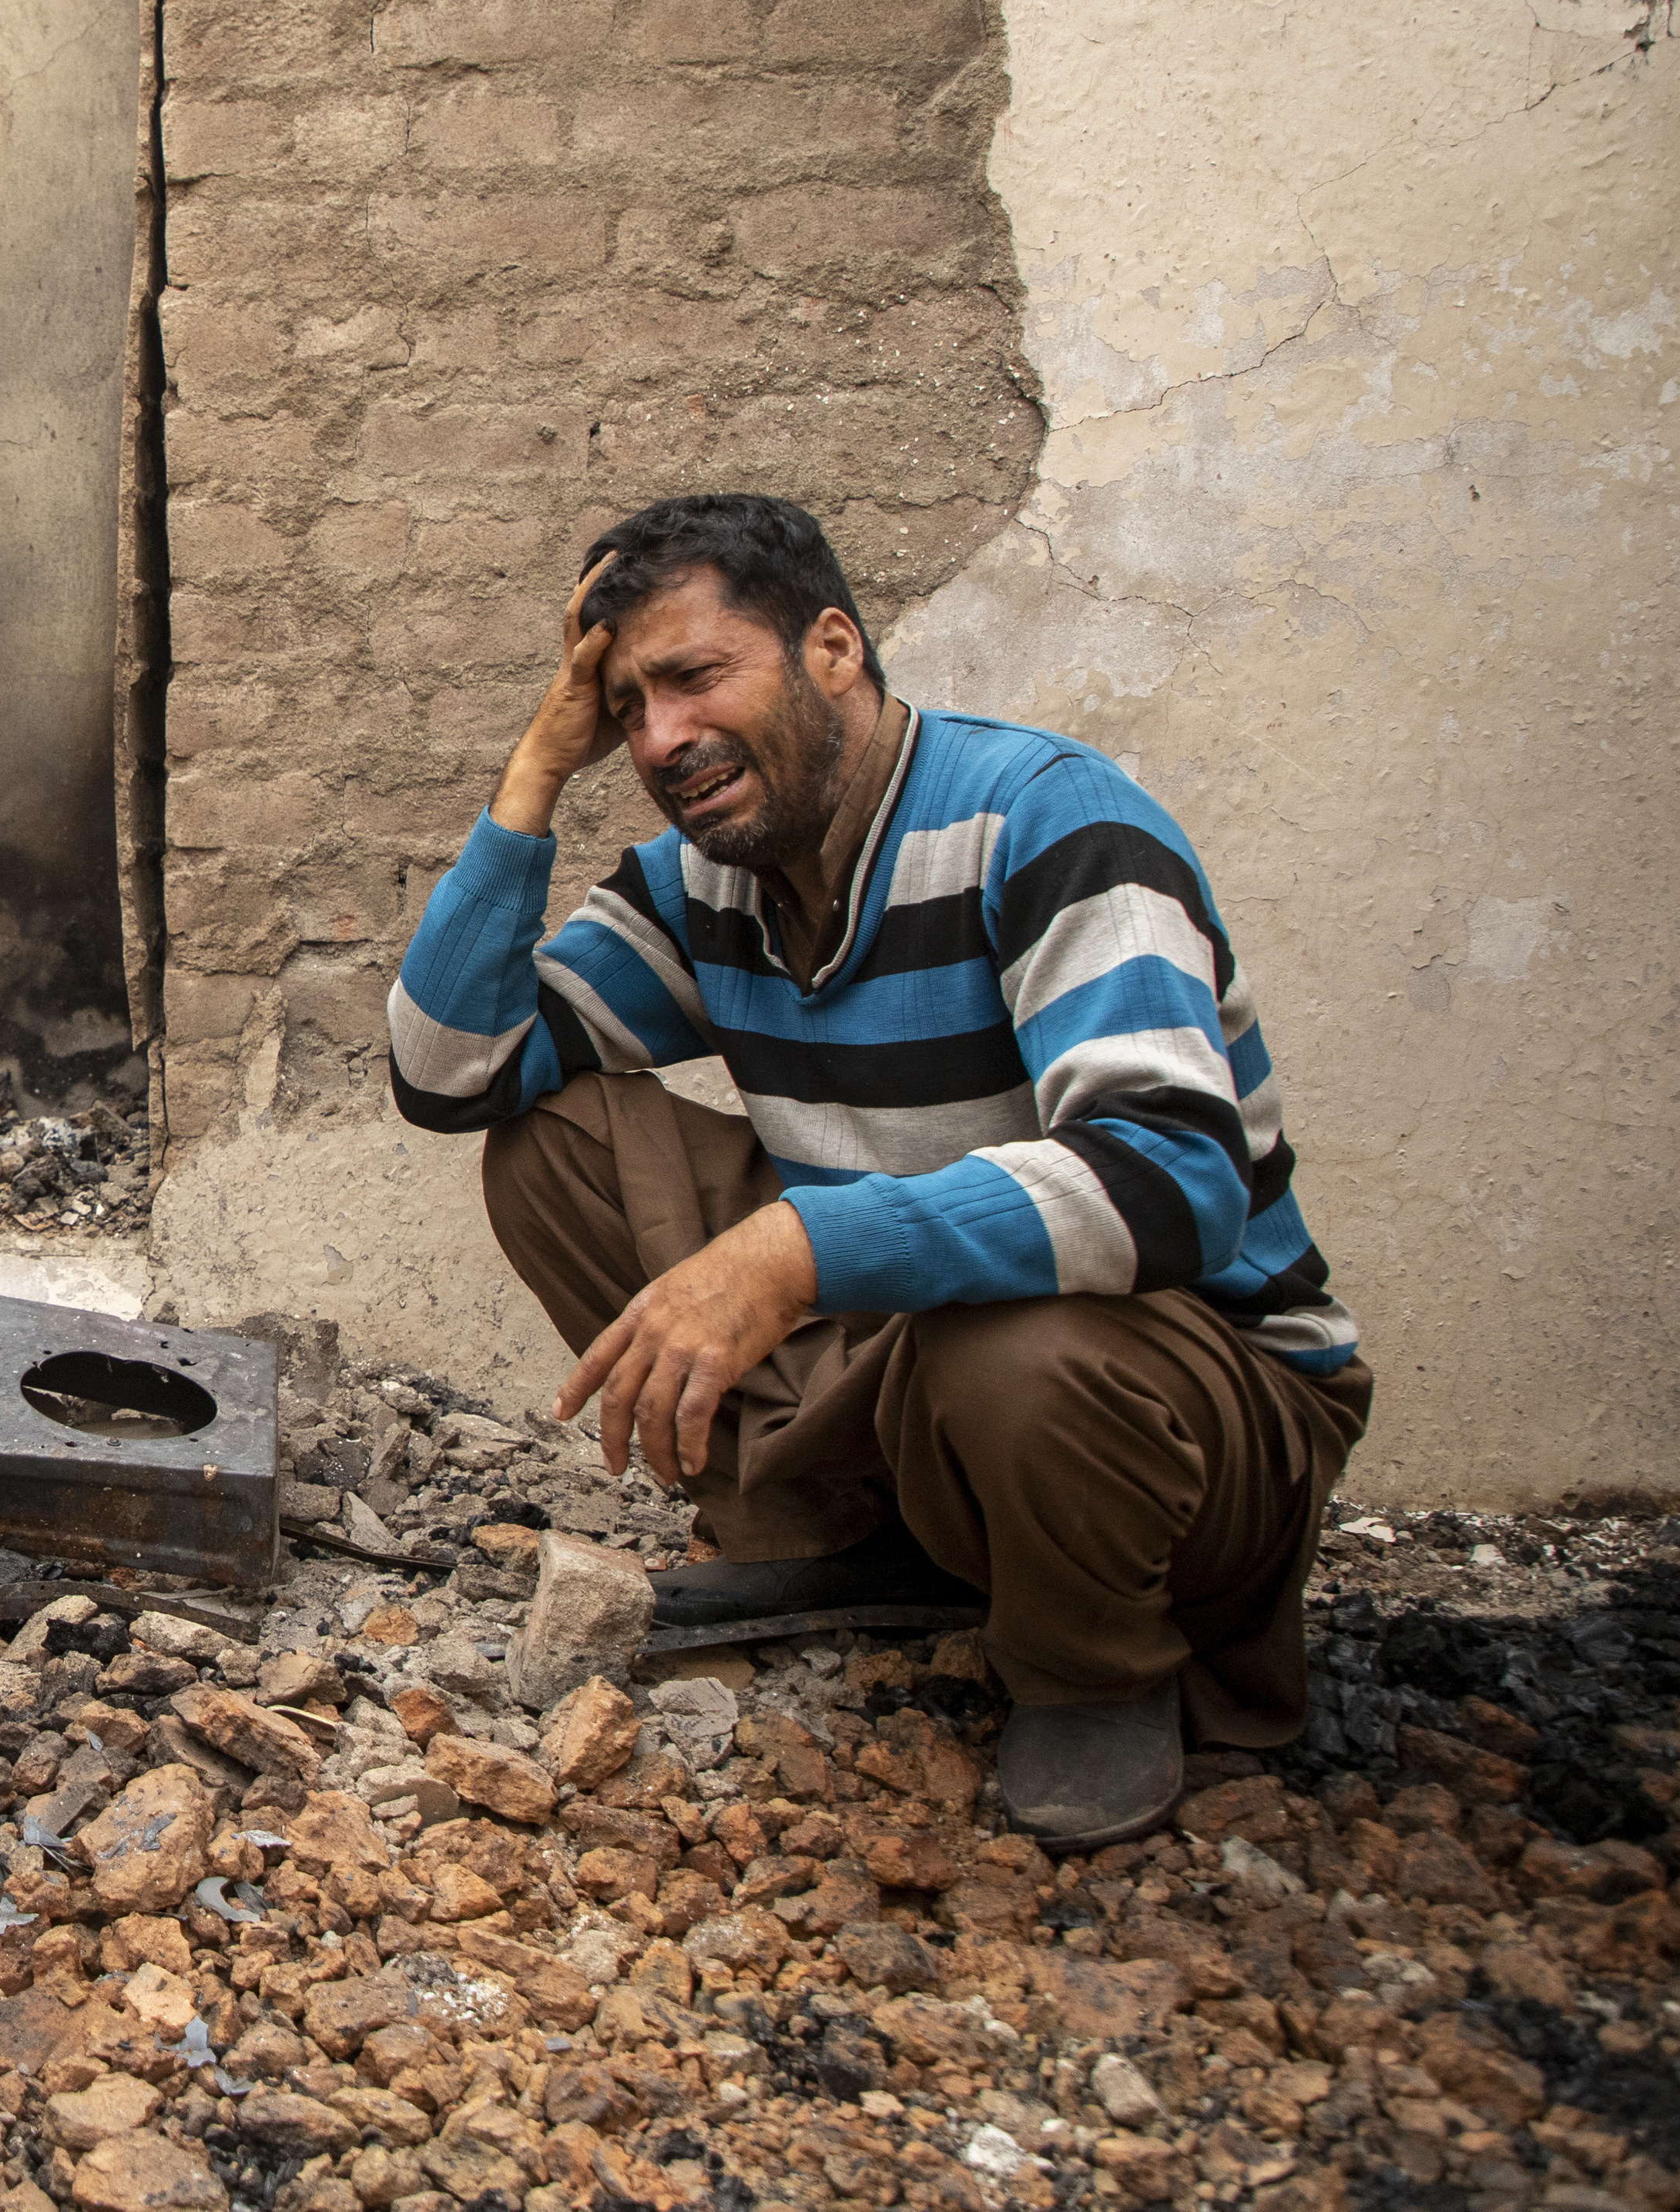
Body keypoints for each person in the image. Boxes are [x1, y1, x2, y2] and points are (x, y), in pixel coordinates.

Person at [384, 491, 1366, 1850]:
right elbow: (450, 1073)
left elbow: (1169, 1183)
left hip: (1196, 1403)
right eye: (627, 709)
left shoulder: (1048, 820)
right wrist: (534, 776)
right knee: (550, 1145)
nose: (662, 738)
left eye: (693, 677)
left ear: (833, 649)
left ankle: (1097, 1662)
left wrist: (793, 1250)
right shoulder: (704, 883)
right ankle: (846, 1538)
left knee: (1013, 1349)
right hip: (910, 1367)